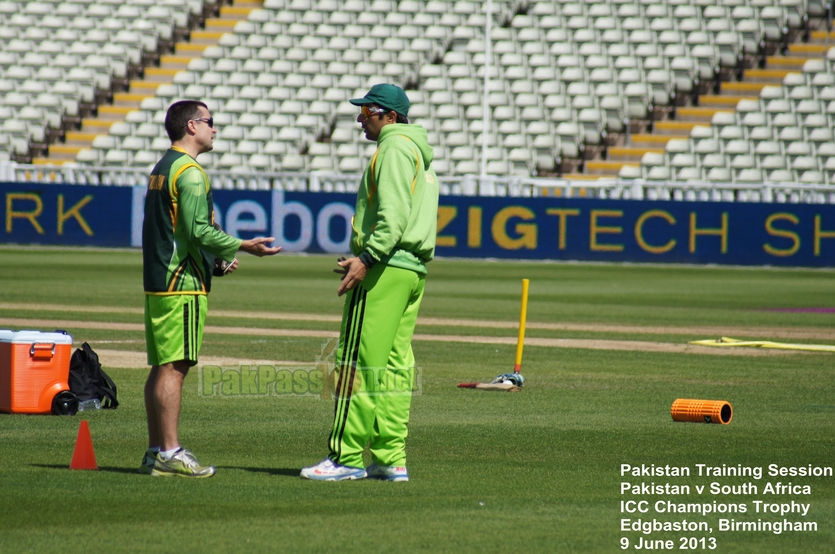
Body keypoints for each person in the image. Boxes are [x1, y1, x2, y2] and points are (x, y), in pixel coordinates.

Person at [301, 84, 439, 482]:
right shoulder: (419, 153)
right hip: (411, 270)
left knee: (357, 363)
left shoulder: (394, 149)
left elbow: (393, 217)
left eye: (369, 111)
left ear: (391, 116)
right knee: (395, 367)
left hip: (385, 268)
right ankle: (390, 458)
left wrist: (367, 257)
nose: (362, 118)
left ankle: (345, 457)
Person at [141, 100, 281, 477]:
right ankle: (170, 453)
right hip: (181, 283)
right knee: (176, 367)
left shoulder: (162, 168)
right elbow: (196, 230)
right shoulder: (190, 172)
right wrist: (242, 246)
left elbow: (174, 231)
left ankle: (156, 451)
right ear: (191, 126)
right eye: (210, 122)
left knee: (161, 366)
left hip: (160, 279)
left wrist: (214, 261)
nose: (214, 129)